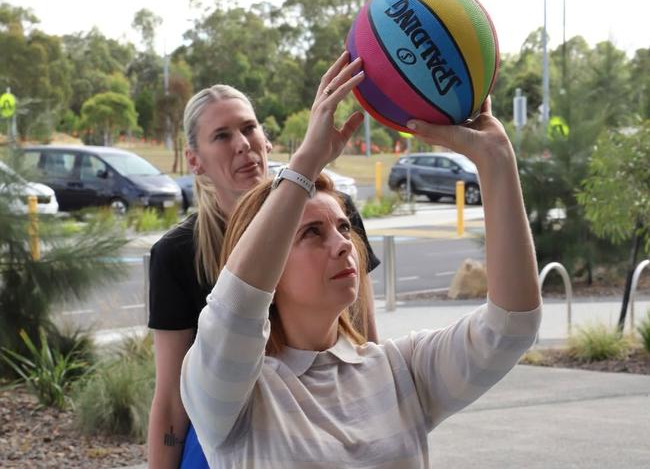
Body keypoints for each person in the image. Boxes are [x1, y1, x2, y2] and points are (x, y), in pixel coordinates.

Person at [180, 52, 542, 467]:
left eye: (343, 228)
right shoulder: (232, 396)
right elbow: (234, 309)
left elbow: (512, 325)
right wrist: (306, 161)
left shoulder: (398, 369)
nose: (342, 245)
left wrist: (496, 160)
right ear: (270, 269)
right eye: (312, 232)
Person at [146, 81, 380, 468]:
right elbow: (172, 399)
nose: (241, 143)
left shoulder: (334, 214)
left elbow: (365, 341)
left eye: (248, 128)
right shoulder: (177, 254)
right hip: (224, 446)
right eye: (221, 136)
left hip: (328, 425)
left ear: (266, 140)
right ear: (195, 160)